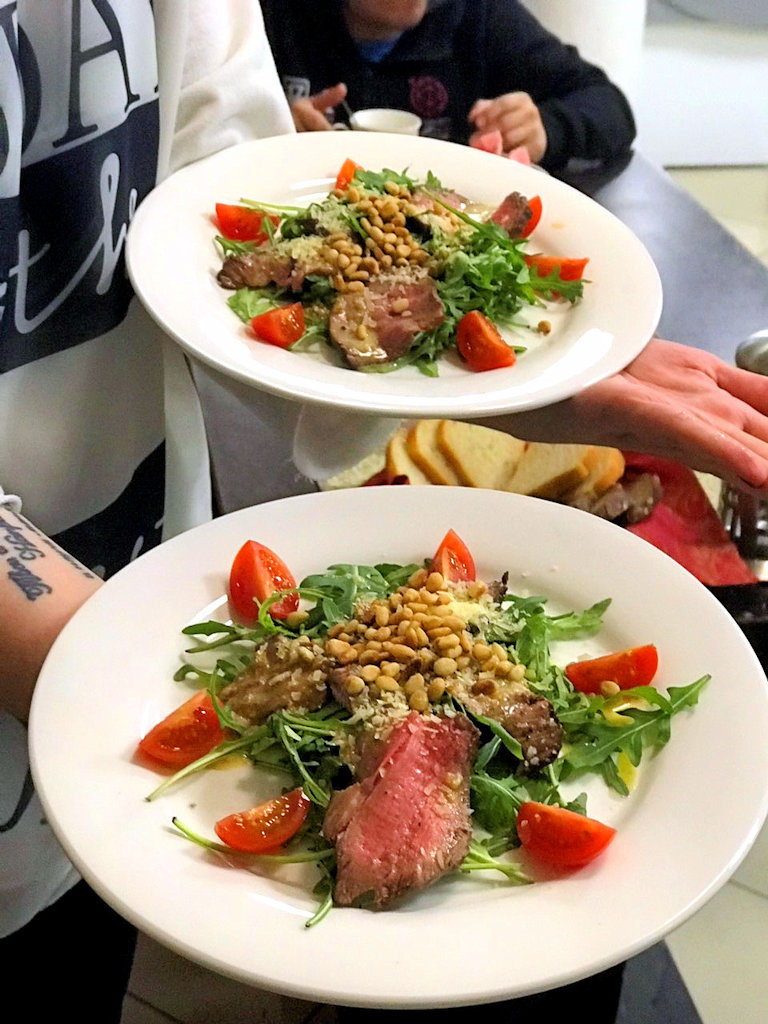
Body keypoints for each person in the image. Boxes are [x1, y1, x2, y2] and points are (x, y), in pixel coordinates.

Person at [0, 1, 292, 1018]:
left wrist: (485, 357)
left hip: (115, 681)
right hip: (105, 666)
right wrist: (115, 668)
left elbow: (222, 181)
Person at [262, 0, 636, 173]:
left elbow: (608, 105)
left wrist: (545, 128)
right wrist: (268, 126)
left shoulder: (478, 15)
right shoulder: (266, 15)